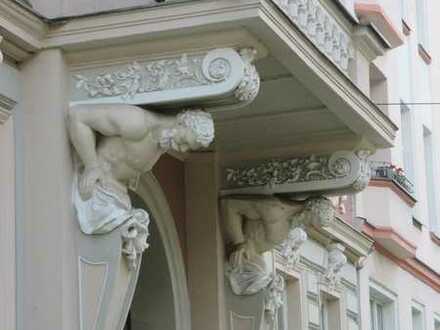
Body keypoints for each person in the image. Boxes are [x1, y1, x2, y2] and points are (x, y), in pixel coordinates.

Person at [67, 103, 214, 234]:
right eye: (184, 142)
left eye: (188, 148)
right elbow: (78, 116)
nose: (182, 149)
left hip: (117, 197)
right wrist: (92, 166)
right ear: (181, 121)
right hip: (95, 193)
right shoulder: (137, 122)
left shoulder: (162, 144)